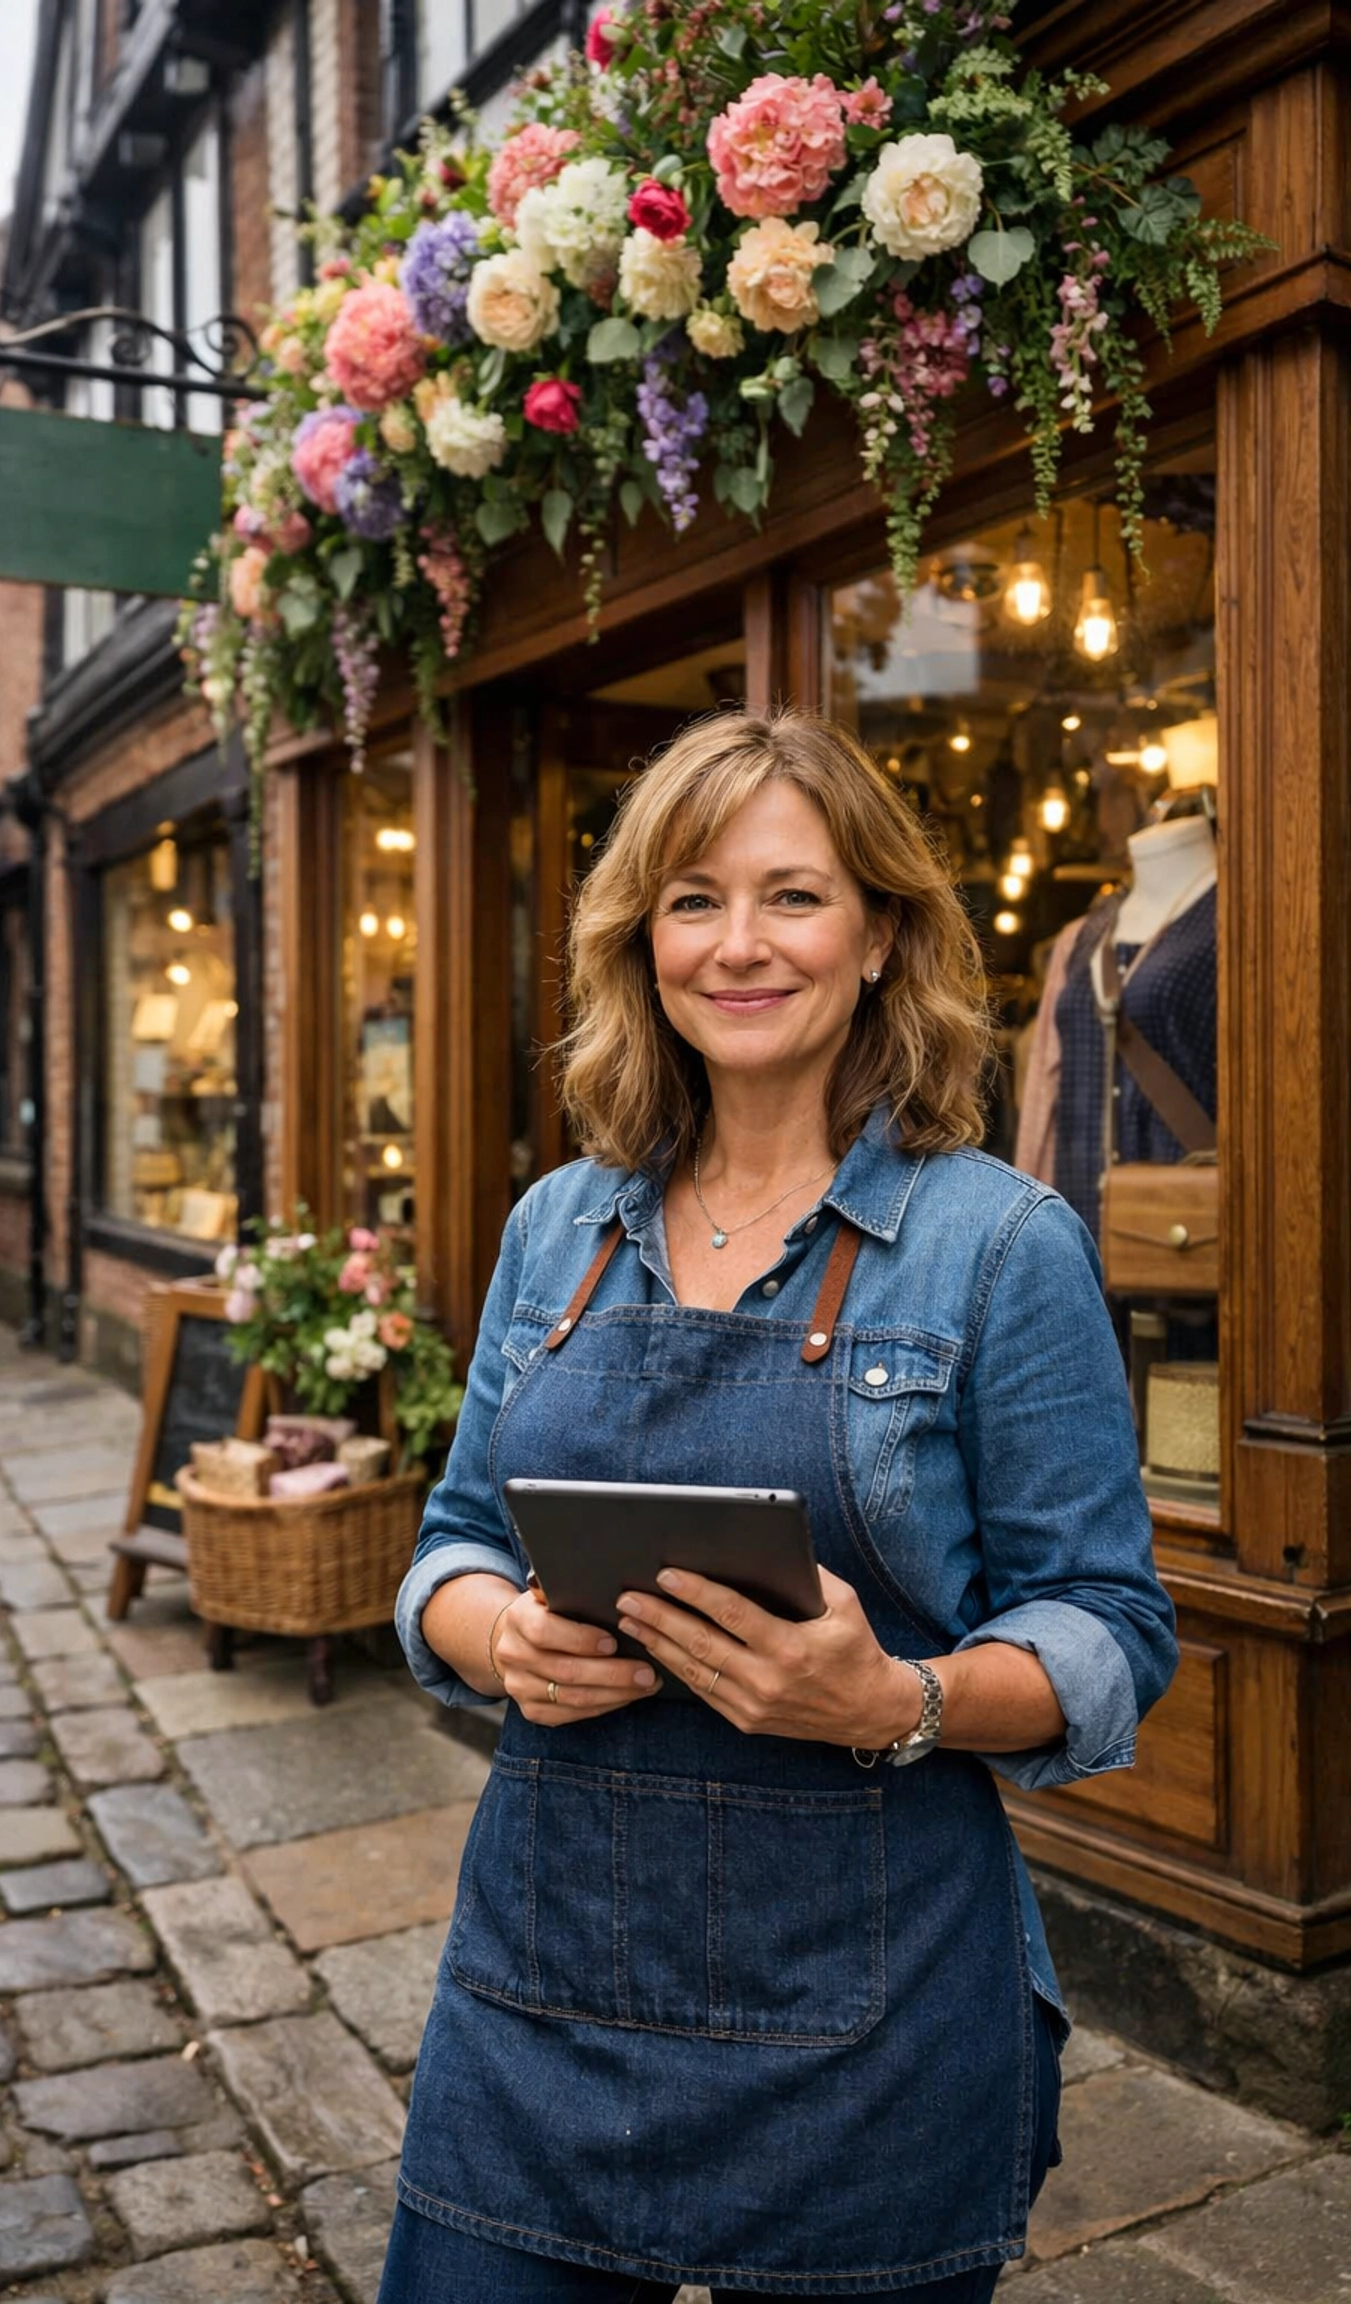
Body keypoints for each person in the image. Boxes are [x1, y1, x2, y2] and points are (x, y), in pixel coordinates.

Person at [386, 707, 1177, 2301]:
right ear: (643, 942)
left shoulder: (998, 1247)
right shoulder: (558, 1228)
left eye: (793, 896)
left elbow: (1110, 1625)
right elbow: (453, 1543)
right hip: (541, 2005)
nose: (738, 946)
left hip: (871, 2029)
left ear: (881, 935)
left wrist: (900, 1698)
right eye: (693, 899)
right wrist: (497, 1643)